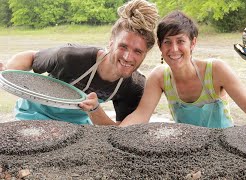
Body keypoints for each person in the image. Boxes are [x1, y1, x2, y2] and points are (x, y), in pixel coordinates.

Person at [84, 11, 246, 128]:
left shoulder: (216, 69)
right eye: (167, 42)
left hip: (223, 146)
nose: (174, 49)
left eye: (180, 41)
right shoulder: (160, 77)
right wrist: (119, 134)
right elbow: (141, 115)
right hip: (188, 149)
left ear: (193, 43)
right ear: (160, 46)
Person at [0, 0, 159, 125]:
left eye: (137, 51)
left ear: (145, 54)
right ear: (111, 43)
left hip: (75, 125)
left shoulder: (134, 87)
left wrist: (96, 111)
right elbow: (31, 58)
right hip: (33, 115)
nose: (127, 57)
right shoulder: (71, 57)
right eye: (123, 46)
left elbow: (119, 130)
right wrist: (7, 71)